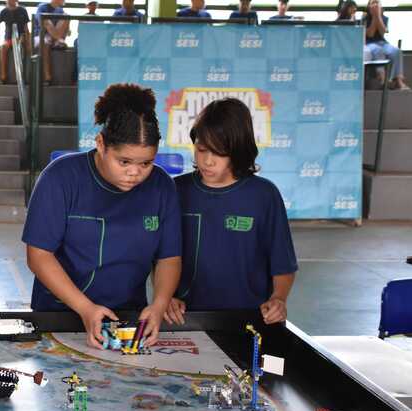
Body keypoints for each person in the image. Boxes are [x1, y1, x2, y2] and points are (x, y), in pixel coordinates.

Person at [23, 84, 182, 348]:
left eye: (146, 163)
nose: (135, 172)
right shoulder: (61, 178)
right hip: (59, 316)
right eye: (124, 162)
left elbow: (169, 257)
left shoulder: (162, 186)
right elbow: (38, 255)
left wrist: (159, 305)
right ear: (100, 144)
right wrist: (85, 309)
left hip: (127, 319)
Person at [164, 98, 297, 327]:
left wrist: (278, 299)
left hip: (250, 319)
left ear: (238, 151)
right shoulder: (176, 191)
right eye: (201, 149)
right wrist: (164, 297)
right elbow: (162, 256)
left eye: (219, 153)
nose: (207, 161)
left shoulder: (264, 195)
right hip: (186, 318)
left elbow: (283, 263)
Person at [363, 0, 409, 90]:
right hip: (370, 44)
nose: (375, 5)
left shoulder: (384, 18)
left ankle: (398, 80)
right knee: (377, 50)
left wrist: (378, 16)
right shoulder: (365, 18)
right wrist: (374, 17)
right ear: (369, 6)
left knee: (396, 51)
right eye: (373, 3)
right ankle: (383, 80)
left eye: (377, 3)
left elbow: (382, 31)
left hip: (382, 42)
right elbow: (370, 34)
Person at [0, 0, 31, 85]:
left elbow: (26, 29)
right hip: (9, 38)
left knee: (21, 47)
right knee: (3, 47)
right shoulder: (4, 11)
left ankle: (21, 78)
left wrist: (28, 43)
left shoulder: (22, 10)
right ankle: (3, 77)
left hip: (21, 37)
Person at [33, 0, 68, 86]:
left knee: (66, 16)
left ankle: (57, 41)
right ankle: (48, 77)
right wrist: (58, 37)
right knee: (45, 44)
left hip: (54, 36)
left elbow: (64, 27)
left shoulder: (61, 11)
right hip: (40, 35)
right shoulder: (42, 7)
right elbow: (45, 24)